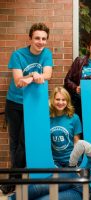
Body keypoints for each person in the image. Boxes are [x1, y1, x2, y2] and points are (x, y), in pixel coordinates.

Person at [2, 22, 53, 195]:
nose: (40, 42)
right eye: (37, 38)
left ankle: (13, 180)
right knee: (15, 143)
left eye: (44, 39)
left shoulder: (46, 54)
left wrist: (32, 78)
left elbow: (47, 74)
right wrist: (32, 75)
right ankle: (16, 180)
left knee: (25, 142)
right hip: (15, 103)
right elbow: (18, 81)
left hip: (34, 104)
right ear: (30, 38)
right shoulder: (18, 55)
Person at [11, 140, 91, 200]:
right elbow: (82, 144)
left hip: (84, 194)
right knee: (41, 187)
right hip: (75, 177)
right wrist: (72, 166)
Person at [49, 86, 82, 167]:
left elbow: (76, 142)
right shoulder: (47, 118)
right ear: (52, 100)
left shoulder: (74, 118)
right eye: (57, 99)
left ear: (67, 101)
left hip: (71, 159)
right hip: (53, 160)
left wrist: (75, 161)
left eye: (63, 100)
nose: (60, 102)